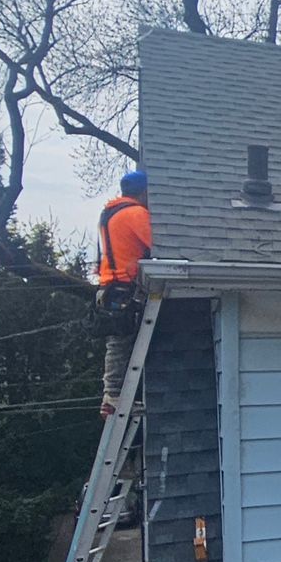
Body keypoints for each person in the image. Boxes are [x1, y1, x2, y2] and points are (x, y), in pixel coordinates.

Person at [97, 168, 152, 413]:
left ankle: (113, 394)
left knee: (120, 341)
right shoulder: (135, 213)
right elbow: (159, 243)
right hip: (122, 286)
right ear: (144, 191)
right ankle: (114, 395)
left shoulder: (110, 213)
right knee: (121, 343)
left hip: (110, 285)